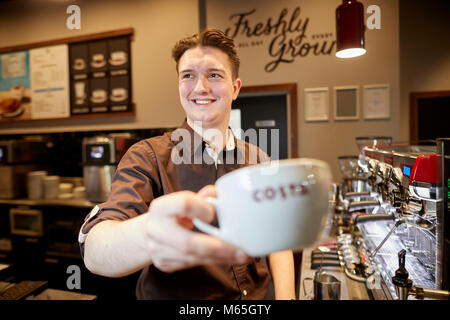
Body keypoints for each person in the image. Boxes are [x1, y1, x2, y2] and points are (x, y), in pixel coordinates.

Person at [79, 28, 296, 300]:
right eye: (188, 76)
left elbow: (279, 238)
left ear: (235, 88)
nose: (200, 87)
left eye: (214, 75)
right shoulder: (147, 157)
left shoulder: (257, 158)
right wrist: (150, 233)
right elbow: (97, 253)